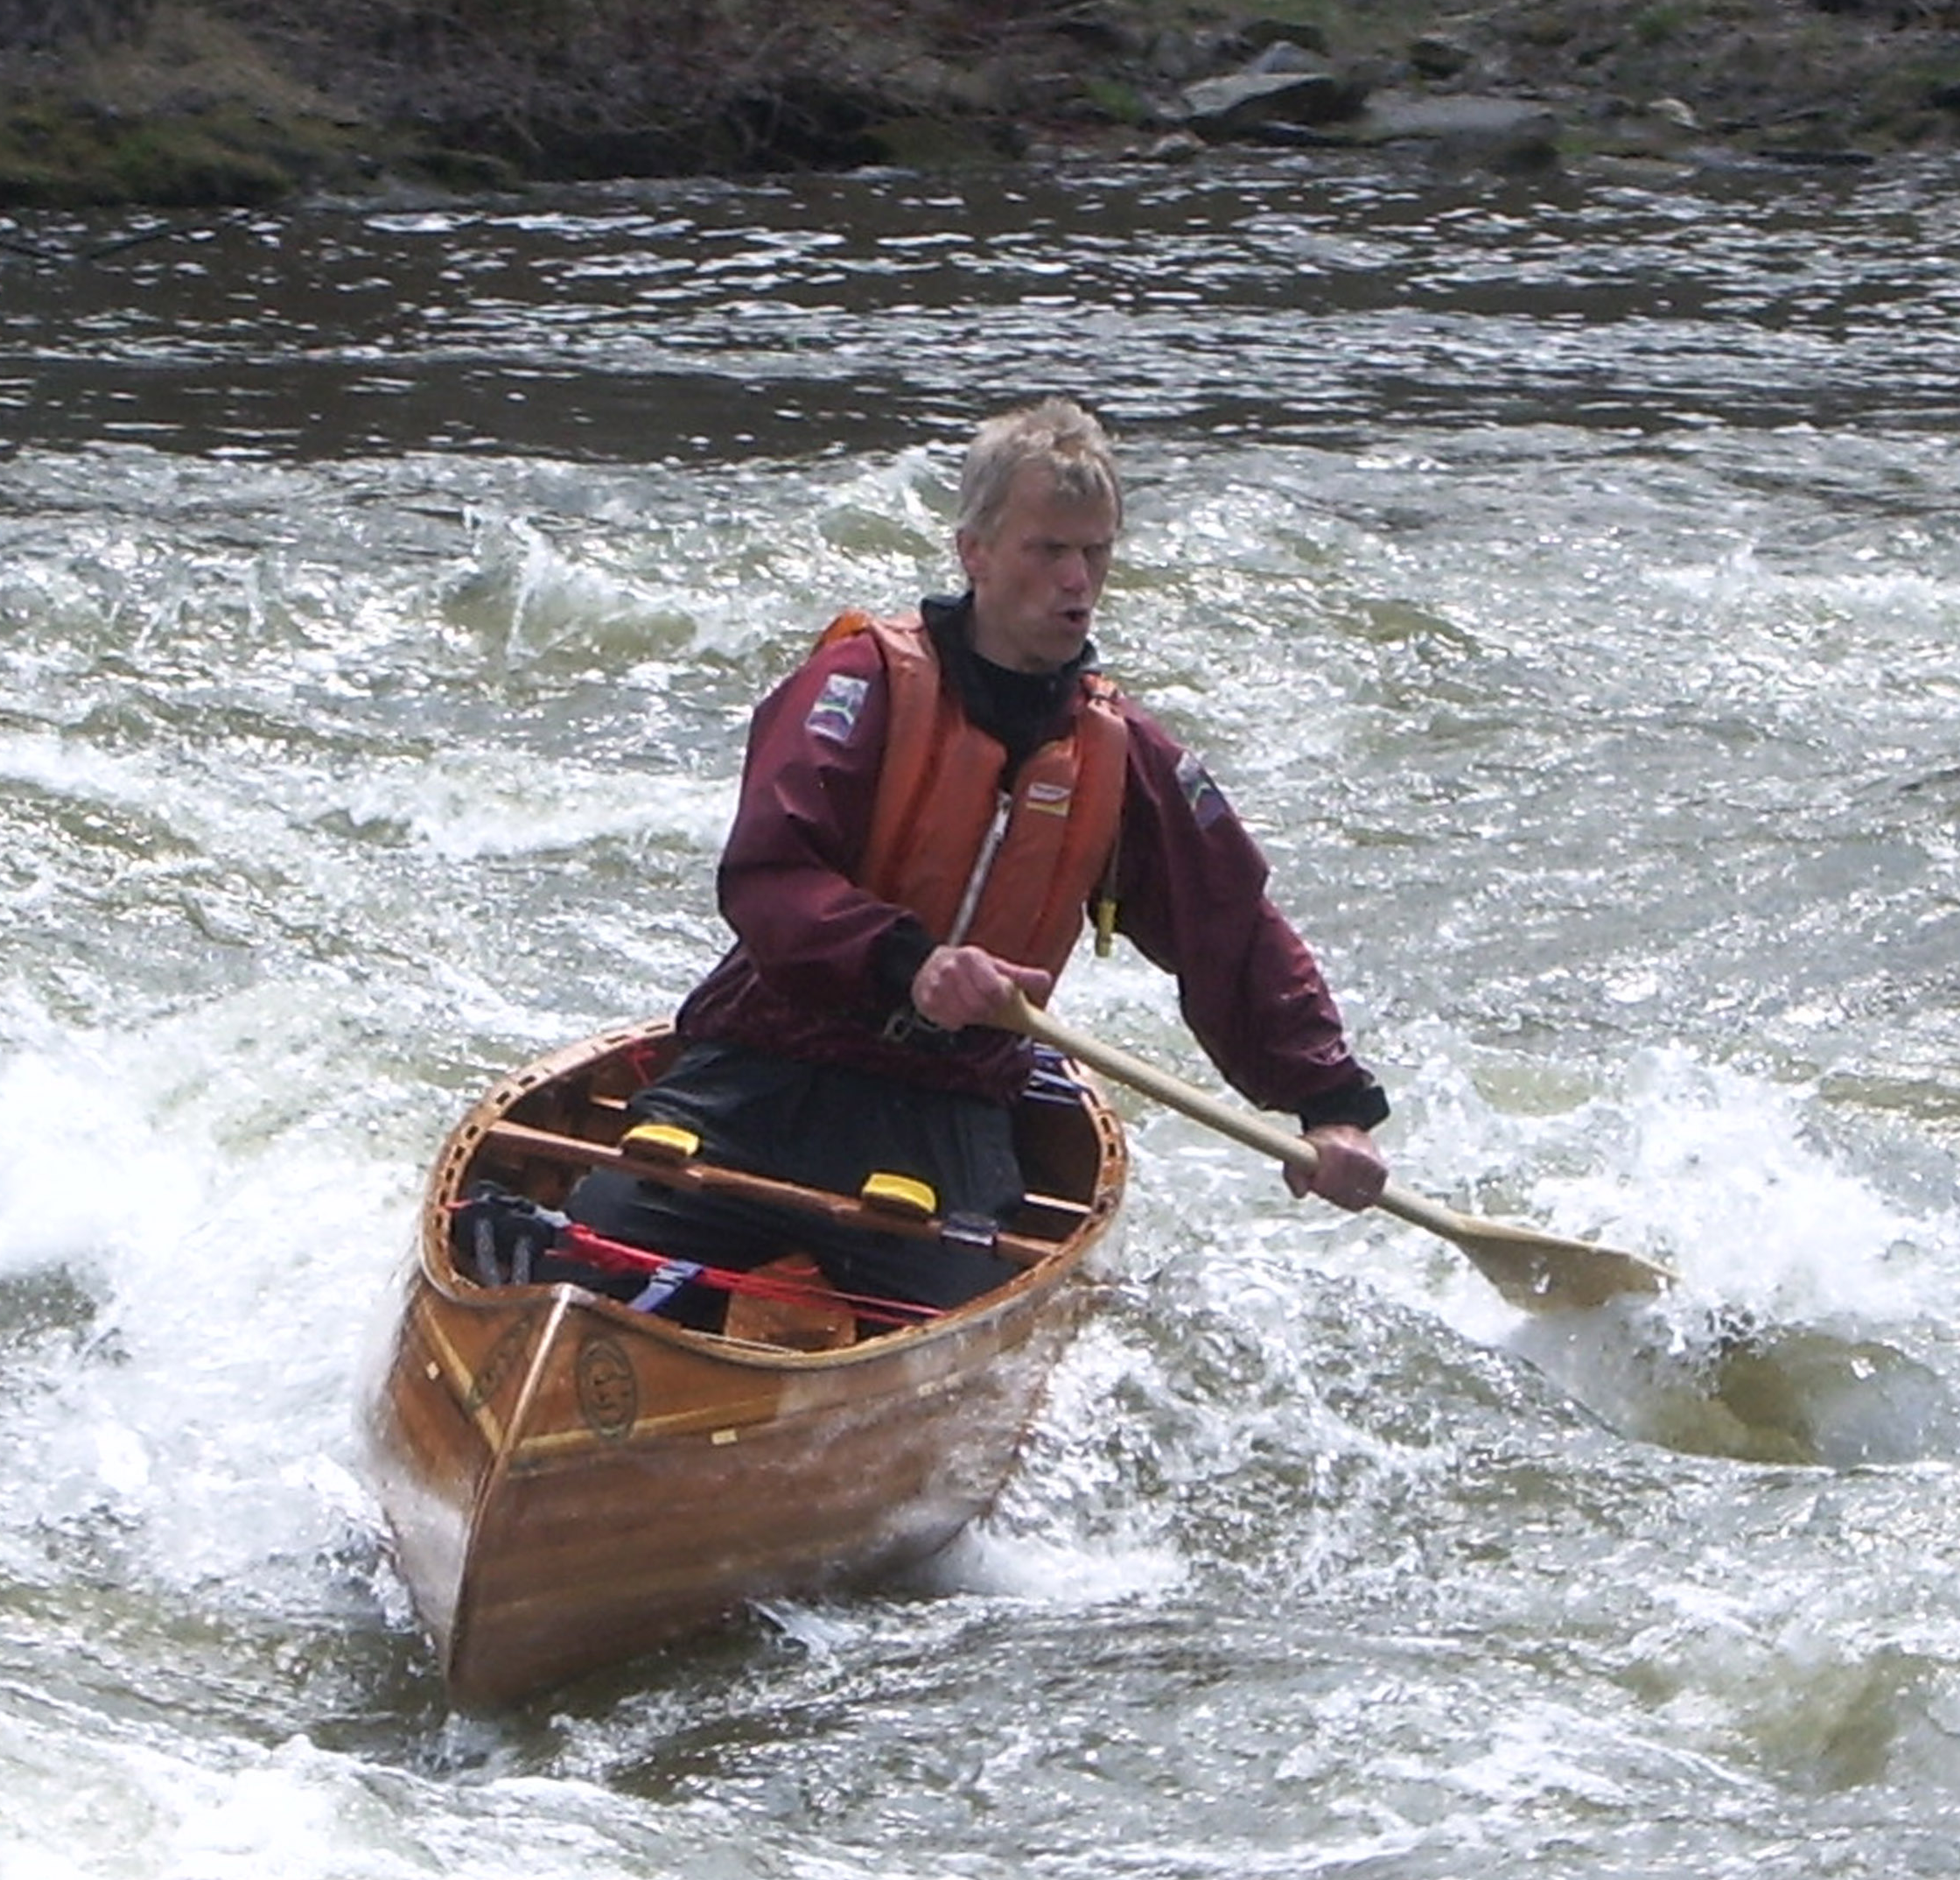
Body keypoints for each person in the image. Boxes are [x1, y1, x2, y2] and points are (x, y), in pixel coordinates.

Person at [552, 396, 1391, 1329]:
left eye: (1096, 553)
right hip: (769, 1065)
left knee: (935, 1315)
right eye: (1047, 550)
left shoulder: (1124, 753)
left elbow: (1231, 931)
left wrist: (1329, 1105)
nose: (1077, 580)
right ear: (976, 553)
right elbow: (769, 874)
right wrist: (913, 965)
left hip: (944, 1105)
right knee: (585, 1257)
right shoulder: (859, 686)